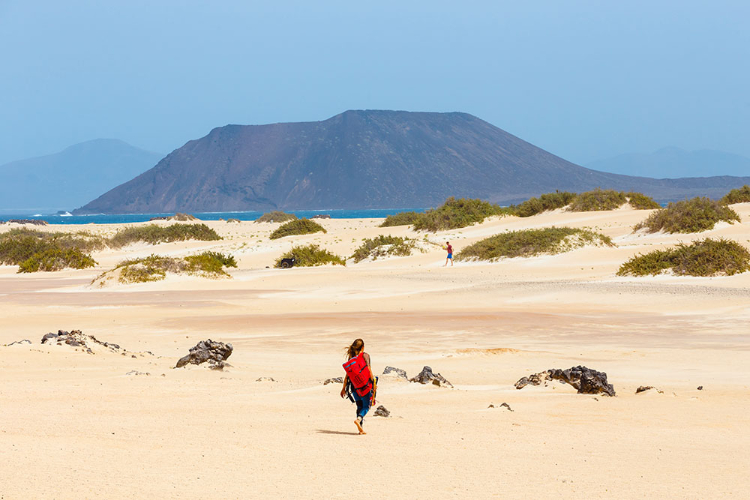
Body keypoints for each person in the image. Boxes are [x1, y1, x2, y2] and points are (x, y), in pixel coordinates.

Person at [340, 338, 376, 435]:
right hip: (364, 386)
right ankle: (359, 419)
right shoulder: (365, 356)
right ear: (363, 347)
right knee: (366, 406)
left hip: (354, 387)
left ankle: (361, 429)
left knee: (359, 406)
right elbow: (369, 370)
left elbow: (347, 375)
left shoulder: (351, 359)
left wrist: (343, 388)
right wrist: (373, 382)